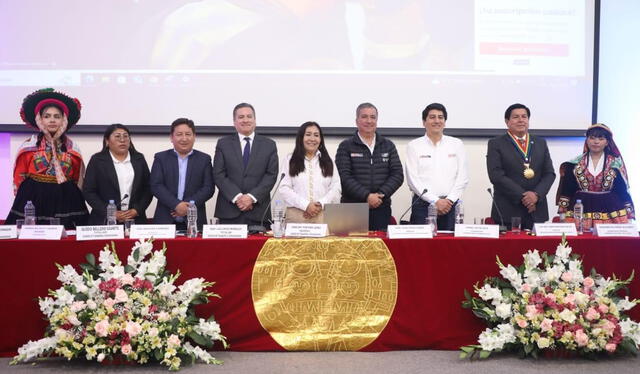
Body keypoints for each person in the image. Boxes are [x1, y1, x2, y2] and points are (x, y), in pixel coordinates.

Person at [5, 88, 88, 228]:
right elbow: (20, 176)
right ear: (40, 119)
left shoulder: (73, 148)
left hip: (66, 199)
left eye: (57, 116)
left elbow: (77, 179)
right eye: (47, 116)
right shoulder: (28, 147)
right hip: (33, 197)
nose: (52, 120)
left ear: (64, 120)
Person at [335, 102, 404, 231]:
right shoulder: (345, 146)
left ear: (377, 120)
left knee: (379, 249)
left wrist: (380, 195)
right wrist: (367, 196)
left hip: (381, 207)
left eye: (373, 117)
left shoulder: (388, 145)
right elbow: (344, 177)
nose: (369, 121)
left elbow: (397, 175)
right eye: (364, 117)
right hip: (352, 209)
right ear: (357, 121)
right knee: (351, 249)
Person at [487, 103, 555, 230]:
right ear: (507, 121)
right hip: (508, 211)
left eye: (524, 116)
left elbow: (549, 173)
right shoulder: (496, 143)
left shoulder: (540, 143)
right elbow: (496, 175)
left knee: (538, 250)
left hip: (536, 209)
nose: (521, 120)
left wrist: (536, 195)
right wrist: (524, 196)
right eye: (516, 117)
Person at [556, 123, 635, 228]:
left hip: (610, 211)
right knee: (581, 242)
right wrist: (562, 214)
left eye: (601, 139)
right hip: (581, 209)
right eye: (592, 138)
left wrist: (629, 215)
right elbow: (567, 190)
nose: (596, 142)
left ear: (607, 142)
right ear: (587, 140)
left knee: (609, 243)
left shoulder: (615, 164)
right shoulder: (574, 164)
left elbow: (622, 191)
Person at [213, 103, 278, 226]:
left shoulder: (269, 145)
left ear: (255, 120)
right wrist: (237, 197)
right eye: (241, 117)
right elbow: (218, 174)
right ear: (234, 121)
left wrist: (251, 198)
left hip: (258, 212)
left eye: (249, 116)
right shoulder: (223, 144)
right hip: (229, 211)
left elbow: (271, 175)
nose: (245, 120)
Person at [405, 103, 468, 229]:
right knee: (422, 247)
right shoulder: (414, 146)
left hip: (450, 205)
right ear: (424, 122)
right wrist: (435, 201)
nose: (437, 121)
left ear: (445, 122)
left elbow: (463, 177)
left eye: (441, 117)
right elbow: (413, 180)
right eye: (432, 117)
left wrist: (448, 201)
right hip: (423, 205)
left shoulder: (456, 144)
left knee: (450, 247)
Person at [150, 118, 214, 229]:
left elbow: (208, 188)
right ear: (171, 137)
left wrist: (187, 206)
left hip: (194, 221)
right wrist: (176, 205)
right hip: (165, 219)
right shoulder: (161, 158)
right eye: (179, 134)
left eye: (188, 134)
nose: (184, 138)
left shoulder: (204, 159)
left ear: (194, 137)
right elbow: (156, 185)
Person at [83, 124, 152, 225]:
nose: (122, 140)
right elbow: (89, 191)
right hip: (104, 220)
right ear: (107, 141)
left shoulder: (139, 159)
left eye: (125, 136)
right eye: (117, 136)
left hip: (135, 219)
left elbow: (148, 188)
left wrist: (137, 210)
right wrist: (110, 213)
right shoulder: (97, 160)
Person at [278, 121, 341, 223]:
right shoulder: (290, 160)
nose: (312, 139)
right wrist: (306, 205)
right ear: (301, 138)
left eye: (316, 135)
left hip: (322, 215)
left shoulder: (329, 161)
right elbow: (284, 188)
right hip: (296, 216)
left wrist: (320, 204)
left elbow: (336, 188)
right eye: (308, 135)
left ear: (320, 140)